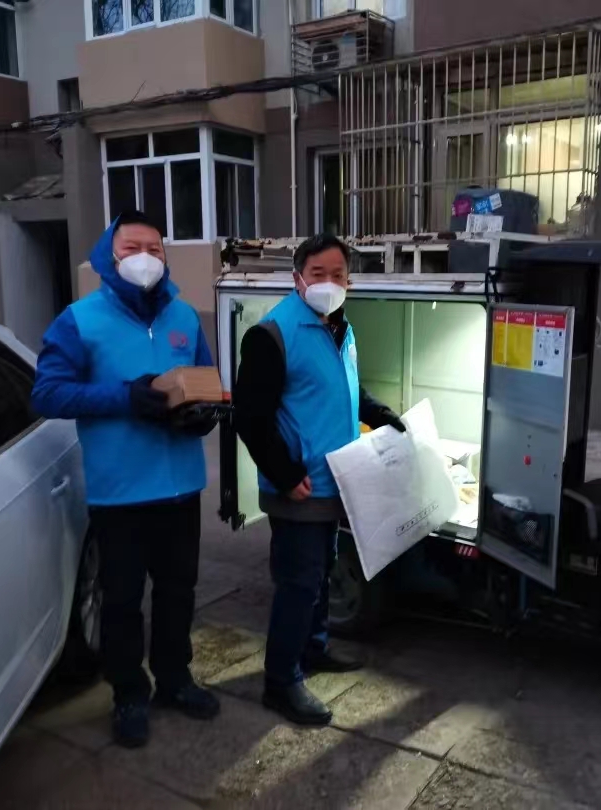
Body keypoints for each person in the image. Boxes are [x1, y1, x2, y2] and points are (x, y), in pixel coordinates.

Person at [31, 210, 220, 749]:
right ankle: (129, 694)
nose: (145, 257)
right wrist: (126, 397)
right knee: (121, 601)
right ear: (109, 255)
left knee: (178, 593)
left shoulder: (184, 316)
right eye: (132, 247)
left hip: (181, 487)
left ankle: (175, 679)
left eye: (155, 249)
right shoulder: (79, 320)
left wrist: (204, 414)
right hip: (120, 493)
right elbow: (47, 393)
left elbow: (205, 381)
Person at [233, 233, 405, 726]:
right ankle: (281, 681)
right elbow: (250, 417)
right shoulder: (272, 335)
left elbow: (344, 389)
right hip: (300, 487)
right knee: (299, 583)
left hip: (335, 483)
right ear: (297, 279)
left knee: (321, 572)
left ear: (349, 281)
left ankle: (314, 648)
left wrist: (379, 413)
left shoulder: (339, 328)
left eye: (337, 275)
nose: (328, 283)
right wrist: (286, 474)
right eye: (317, 274)